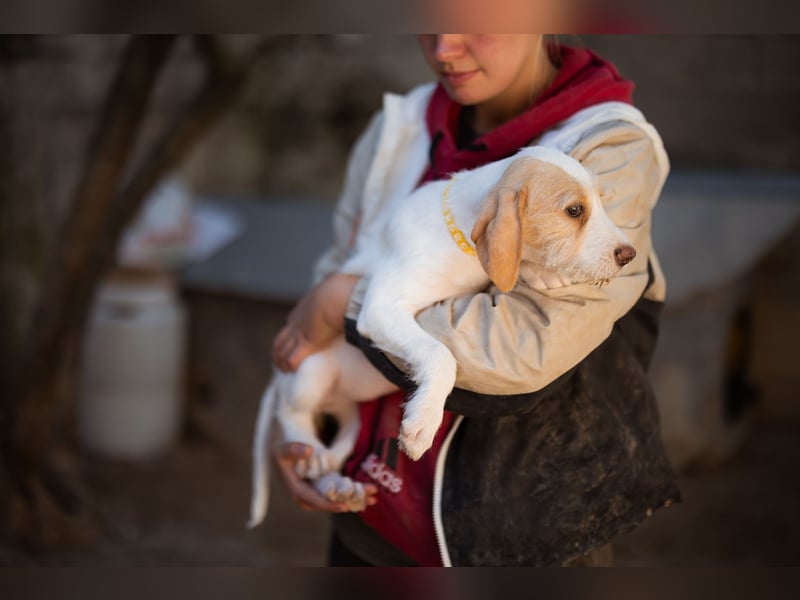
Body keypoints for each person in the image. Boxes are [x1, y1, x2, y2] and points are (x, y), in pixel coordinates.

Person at [271, 34, 680, 567]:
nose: (444, 48)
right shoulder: (397, 128)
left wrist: (347, 303)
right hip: (370, 513)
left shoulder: (606, 147)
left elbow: (526, 343)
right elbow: (335, 266)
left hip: (521, 534)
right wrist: (303, 427)